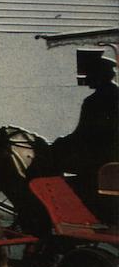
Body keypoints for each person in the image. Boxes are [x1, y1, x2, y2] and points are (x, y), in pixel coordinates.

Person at [50, 55, 119, 222]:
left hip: (100, 160)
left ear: (98, 76)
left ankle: (64, 216)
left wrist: (58, 144)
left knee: (51, 164)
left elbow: (82, 134)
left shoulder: (93, 101)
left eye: (90, 75)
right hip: (112, 156)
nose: (87, 79)